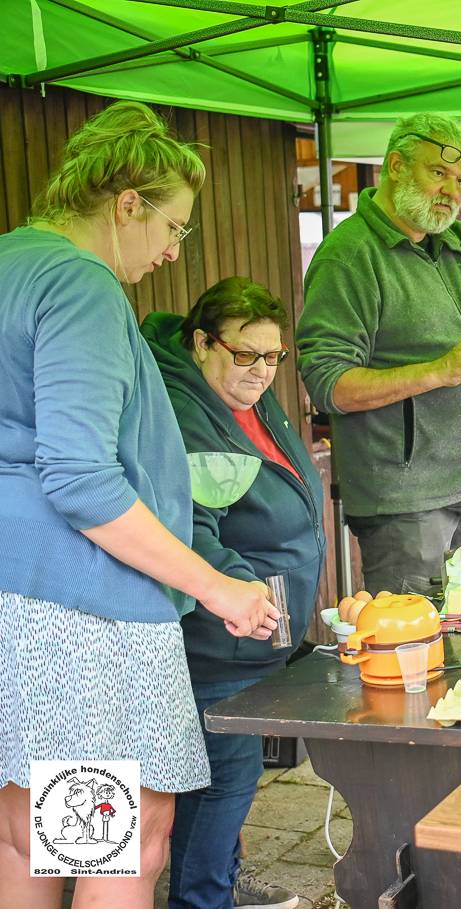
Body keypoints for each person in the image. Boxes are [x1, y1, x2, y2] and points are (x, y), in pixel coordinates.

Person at [0, 101, 278, 909]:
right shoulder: (79, 283)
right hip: (86, 608)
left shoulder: (10, 261)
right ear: (127, 204)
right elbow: (81, 477)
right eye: (174, 228)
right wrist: (217, 585)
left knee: (33, 840)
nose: (171, 251)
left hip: (19, 601)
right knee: (122, 843)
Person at [297, 113, 461, 595]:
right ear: (395, 166)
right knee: (414, 650)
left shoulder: (456, 241)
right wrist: (438, 371)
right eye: (437, 173)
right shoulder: (350, 256)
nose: (451, 191)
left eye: (460, 180)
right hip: (405, 503)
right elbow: (328, 382)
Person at [142, 277, 324, 909]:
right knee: (219, 781)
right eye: (246, 353)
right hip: (221, 640)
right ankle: (202, 898)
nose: (261, 370)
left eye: (273, 357)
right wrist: (244, 593)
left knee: (221, 783)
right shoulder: (185, 412)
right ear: (200, 343)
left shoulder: (241, 394)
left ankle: (222, 879)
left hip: (252, 631)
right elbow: (189, 529)